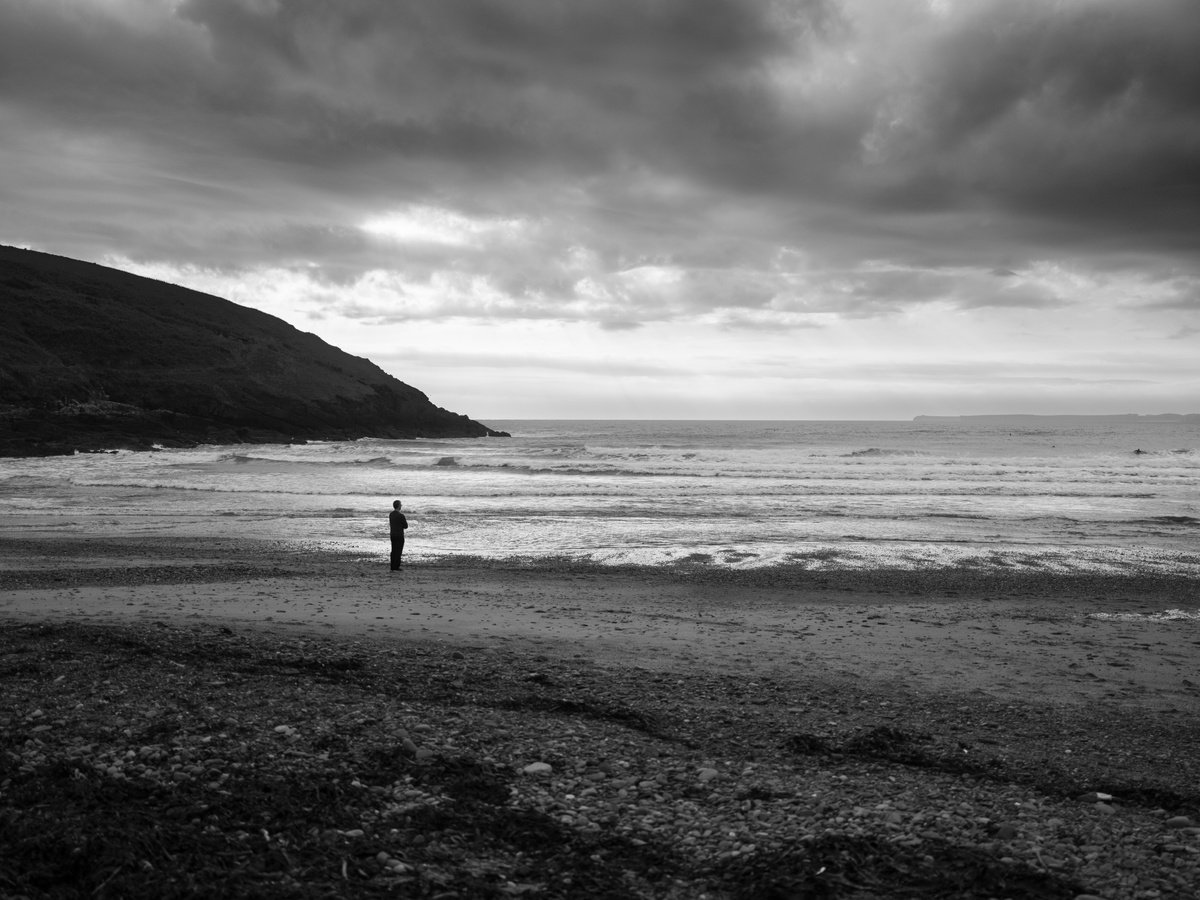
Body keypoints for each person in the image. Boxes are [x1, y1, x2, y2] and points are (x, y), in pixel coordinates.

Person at [389, 500, 409, 570]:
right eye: (400, 504)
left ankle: (392, 566)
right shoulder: (401, 515)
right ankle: (396, 566)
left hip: (392, 534)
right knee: (398, 551)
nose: (401, 505)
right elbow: (406, 526)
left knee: (393, 550)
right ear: (398, 506)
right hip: (399, 535)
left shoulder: (391, 514)